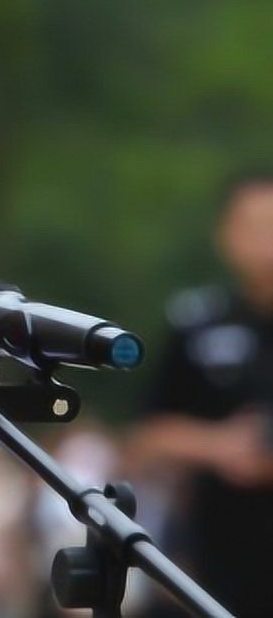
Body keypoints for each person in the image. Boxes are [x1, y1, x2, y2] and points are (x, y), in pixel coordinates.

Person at [129, 171, 273, 617]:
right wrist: (219, 445)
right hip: (219, 565)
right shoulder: (199, 328)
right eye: (255, 227)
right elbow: (144, 438)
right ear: (226, 235)